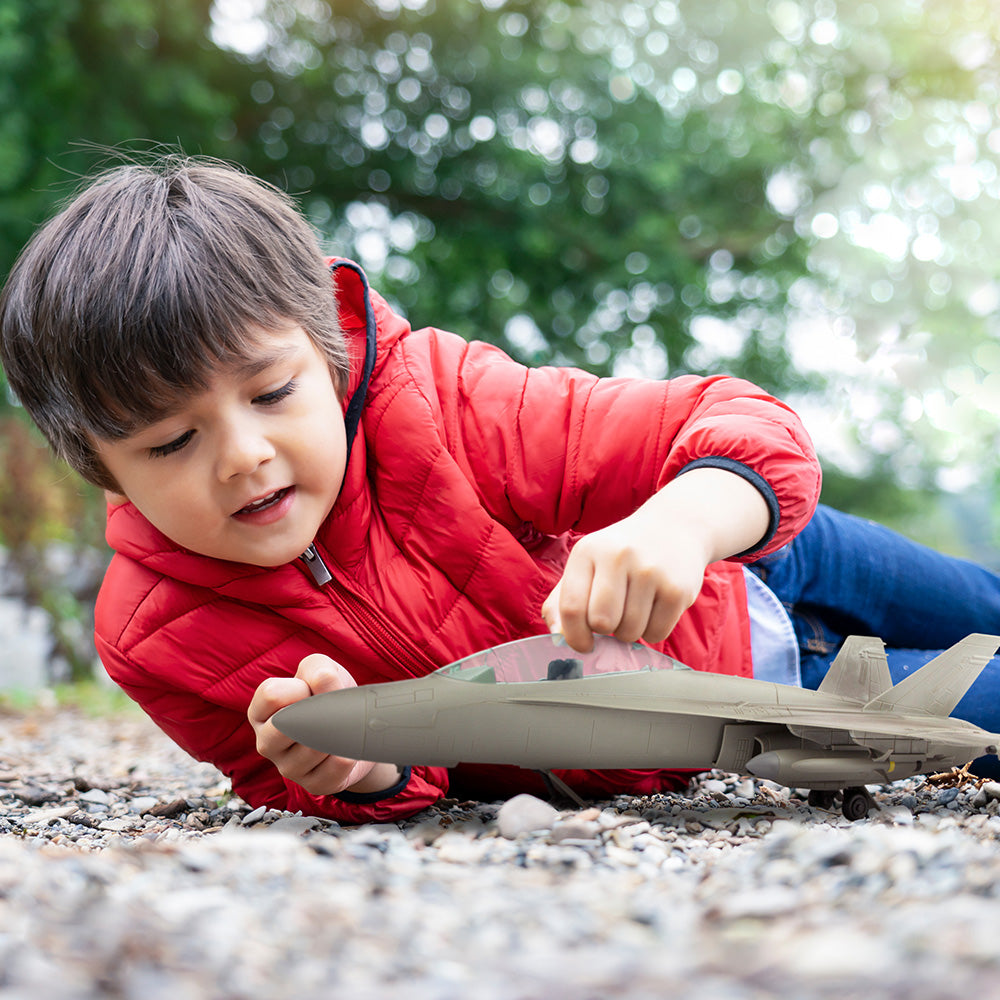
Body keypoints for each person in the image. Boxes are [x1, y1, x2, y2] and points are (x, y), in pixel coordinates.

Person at [2, 157, 999, 824]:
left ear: (330, 346)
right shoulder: (154, 633)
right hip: (792, 701)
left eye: (272, 392)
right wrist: (357, 772)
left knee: (980, 606)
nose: (243, 455)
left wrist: (683, 523)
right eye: (174, 440)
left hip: (774, 550)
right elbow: (317, 783)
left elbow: (744, 423)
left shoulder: (440, 401)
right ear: (100, 463)